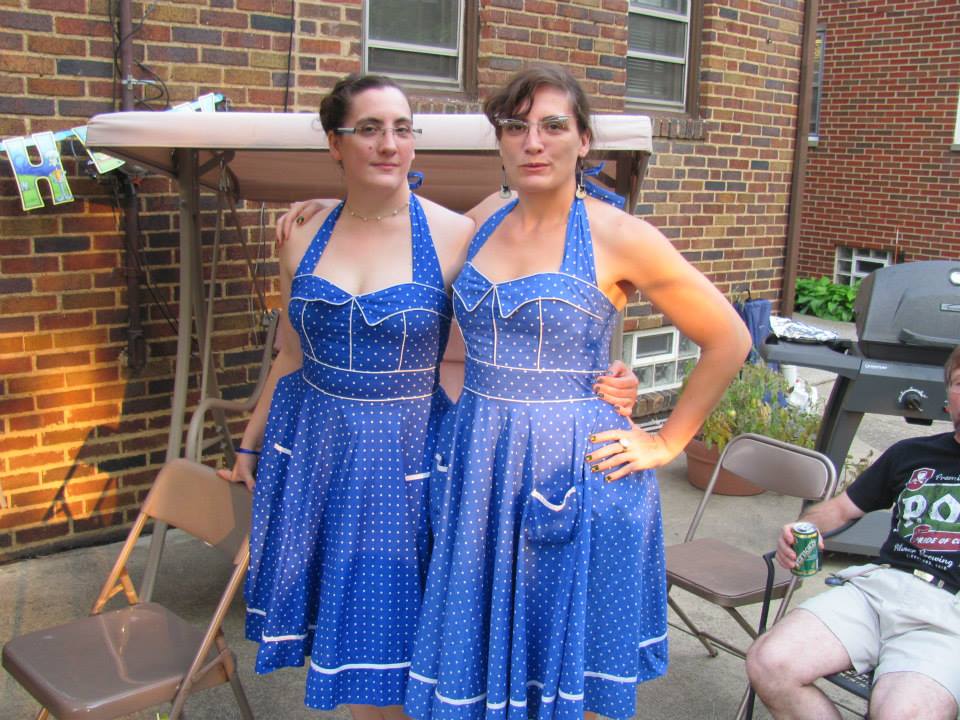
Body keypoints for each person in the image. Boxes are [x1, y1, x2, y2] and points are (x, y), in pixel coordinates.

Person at [222, 73, 638, 719]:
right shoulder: (300, 234)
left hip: (413, 462)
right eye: (368, 129)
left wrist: (602, 379)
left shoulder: (457, 232)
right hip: (316, 456)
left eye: (401, 128)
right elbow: (290, 354)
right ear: (336, 143)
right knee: (348, 638)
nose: (389, 143)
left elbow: (527, 311)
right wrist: (249, 445)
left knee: (417, 638)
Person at [400, 67, 750, 720]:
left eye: (553, 126)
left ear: (582, 142)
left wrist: (667, 442)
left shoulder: (617, 235)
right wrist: (327, 210)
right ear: (500, 142)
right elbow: (396, 228)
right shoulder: (481, 221)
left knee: (572, 669)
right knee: (489, 660)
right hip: (483, 471)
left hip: (578, 473)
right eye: (516, 126)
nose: (534, 142)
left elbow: (728, 339)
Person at [745, 346, 960, 720]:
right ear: (948, 398)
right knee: (770, 663)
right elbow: (842, 508)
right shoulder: (910, 453)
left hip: (949, 617)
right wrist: (804, 527)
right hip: (878, 590)